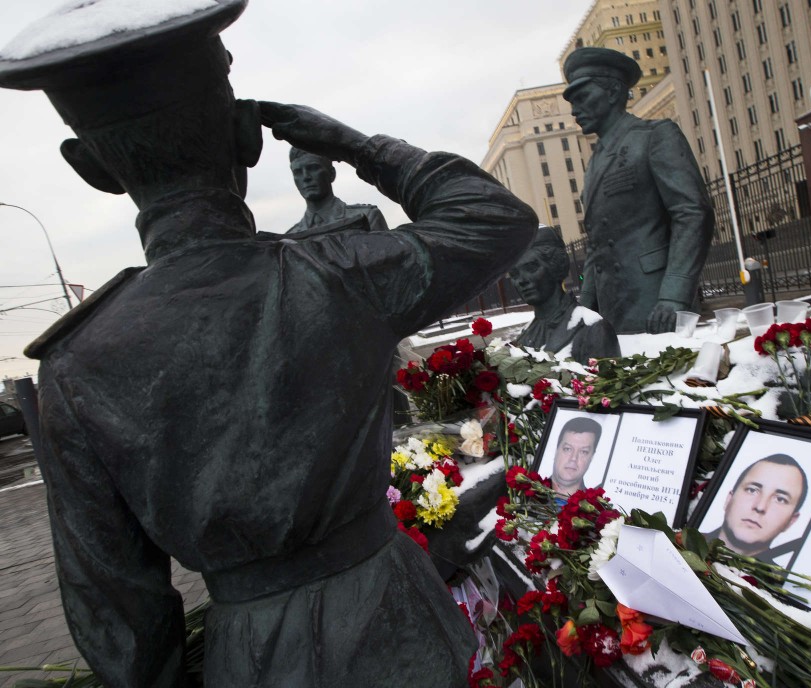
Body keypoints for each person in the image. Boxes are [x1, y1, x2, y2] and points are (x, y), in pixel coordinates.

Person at [0, 2, 536, 686]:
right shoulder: (339, 274)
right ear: (247, 135)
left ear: (89, 167)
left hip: (250, 661)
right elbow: (495, 218)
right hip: (399, 626)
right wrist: (359, 147)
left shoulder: (74, 366)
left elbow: (117, 613)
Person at [562, 47, 714, 334]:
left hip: (657, 302)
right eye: (572, 102)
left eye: (582, 97)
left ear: (613, 92)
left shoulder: (655, 136)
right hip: (614, 307)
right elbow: (596, 245)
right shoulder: (594, 163)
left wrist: (674, 295)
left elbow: (692, 213)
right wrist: (587, 307)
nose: (574, 110)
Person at [510, 225, 620, 361]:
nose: (521, 280)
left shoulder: (594, 330)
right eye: (514, 274)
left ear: (555, 266)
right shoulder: (524, 335)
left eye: (531, 268)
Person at [702, 454, 809, 563]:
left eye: (780, 499)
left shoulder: (779, 574)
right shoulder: (690, 539)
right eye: (752, 490)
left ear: (791, 521)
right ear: (729, 499)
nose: (760, 507)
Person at [286, 146, 389, 234]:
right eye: (298, 172)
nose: (306, 177)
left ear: (332, 174)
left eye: (313, 168)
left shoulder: (367, 218)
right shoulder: (291, 237)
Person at [551, 416, 603, 497]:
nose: (573, 458)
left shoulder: (596, 503)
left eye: (583, 452)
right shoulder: (532, 488)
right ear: (556, 450)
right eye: (567, 449)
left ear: (592, 457)